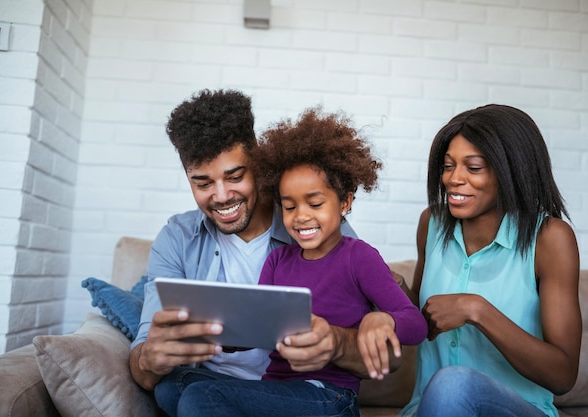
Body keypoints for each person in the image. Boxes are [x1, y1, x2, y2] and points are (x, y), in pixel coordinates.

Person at [128, 89, 394, 417]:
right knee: (171, 388)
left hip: (303, 391)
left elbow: (387, 353)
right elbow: (143, 369)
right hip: (218, 387)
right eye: (203, 183)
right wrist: (148, 359)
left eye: (235, 176)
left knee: (198, 400)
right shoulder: (177, 238)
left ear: (258, 161)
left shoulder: (310, 224)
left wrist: (338, 341)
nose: (222, 196)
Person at [174, 107, 428, 417]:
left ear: (345, 201)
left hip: (330, 397)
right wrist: (226, 334)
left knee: (201, 396)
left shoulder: (358, 256)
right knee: (176, 385)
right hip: (277, 391)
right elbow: (260, 328)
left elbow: (416, 324)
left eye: (315, 203)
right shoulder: (279, 260)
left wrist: (384, 319)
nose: (302, 216)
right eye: (289, 206)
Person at [398, 104, 581, 417]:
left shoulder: (550, 239)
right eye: (448, 166)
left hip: (519, 410)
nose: (453, 179)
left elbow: (562, 374)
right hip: (429, 409)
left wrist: (476, 309)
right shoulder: (432, 223)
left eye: (473, 167)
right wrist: (396, 291)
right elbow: (428, 320)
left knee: (454, 384)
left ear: (511, 170)